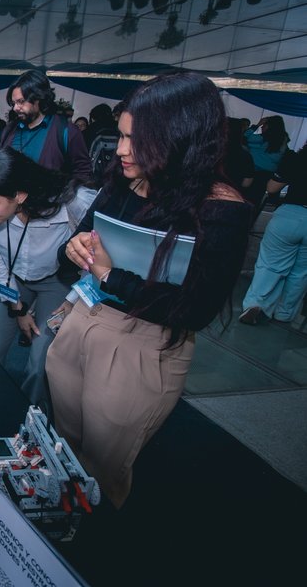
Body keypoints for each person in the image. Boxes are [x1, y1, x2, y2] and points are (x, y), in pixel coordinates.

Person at [47, 72, 250, 508]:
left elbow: (194, 311)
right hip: (82, 320)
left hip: (143, 345)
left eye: (134, 140)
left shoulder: (220, 208)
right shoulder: (125, 180)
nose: (121, 150)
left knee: (101, 469)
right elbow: (75, 248)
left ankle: (87, 536)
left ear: (179, 140)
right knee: (61, 445)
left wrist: (109, 276)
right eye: (121, 136)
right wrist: (74, 248)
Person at [0, 149, 94, 411]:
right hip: (11, 279)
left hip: (56, 283)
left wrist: (72, 300)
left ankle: (27, 417)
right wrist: (17, 308)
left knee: (40, 362)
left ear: (19, 196)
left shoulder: (73, 202)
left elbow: (98, 258)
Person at [239, 144, 307, 325]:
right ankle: (284, 313)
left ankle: (255, 304)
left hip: (290, 215)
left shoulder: (297, 159)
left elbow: (272, 188)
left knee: (270, 265)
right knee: (301, 272)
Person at [0, 69, 92, 183]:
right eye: (13, 103)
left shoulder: (66, 131)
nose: (15, 108)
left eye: (21, 101)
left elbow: (83, 172)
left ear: (38, 97)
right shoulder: (9, 130)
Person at [243, 115, 289, 217]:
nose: (262, 127)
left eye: (264, 125)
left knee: (244, 199)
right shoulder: (282, 141)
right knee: (255, 201)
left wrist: (256, 125)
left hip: (253, 171)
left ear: (269, 126)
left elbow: (244, 137)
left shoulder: (261, 139)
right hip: (266, 175)